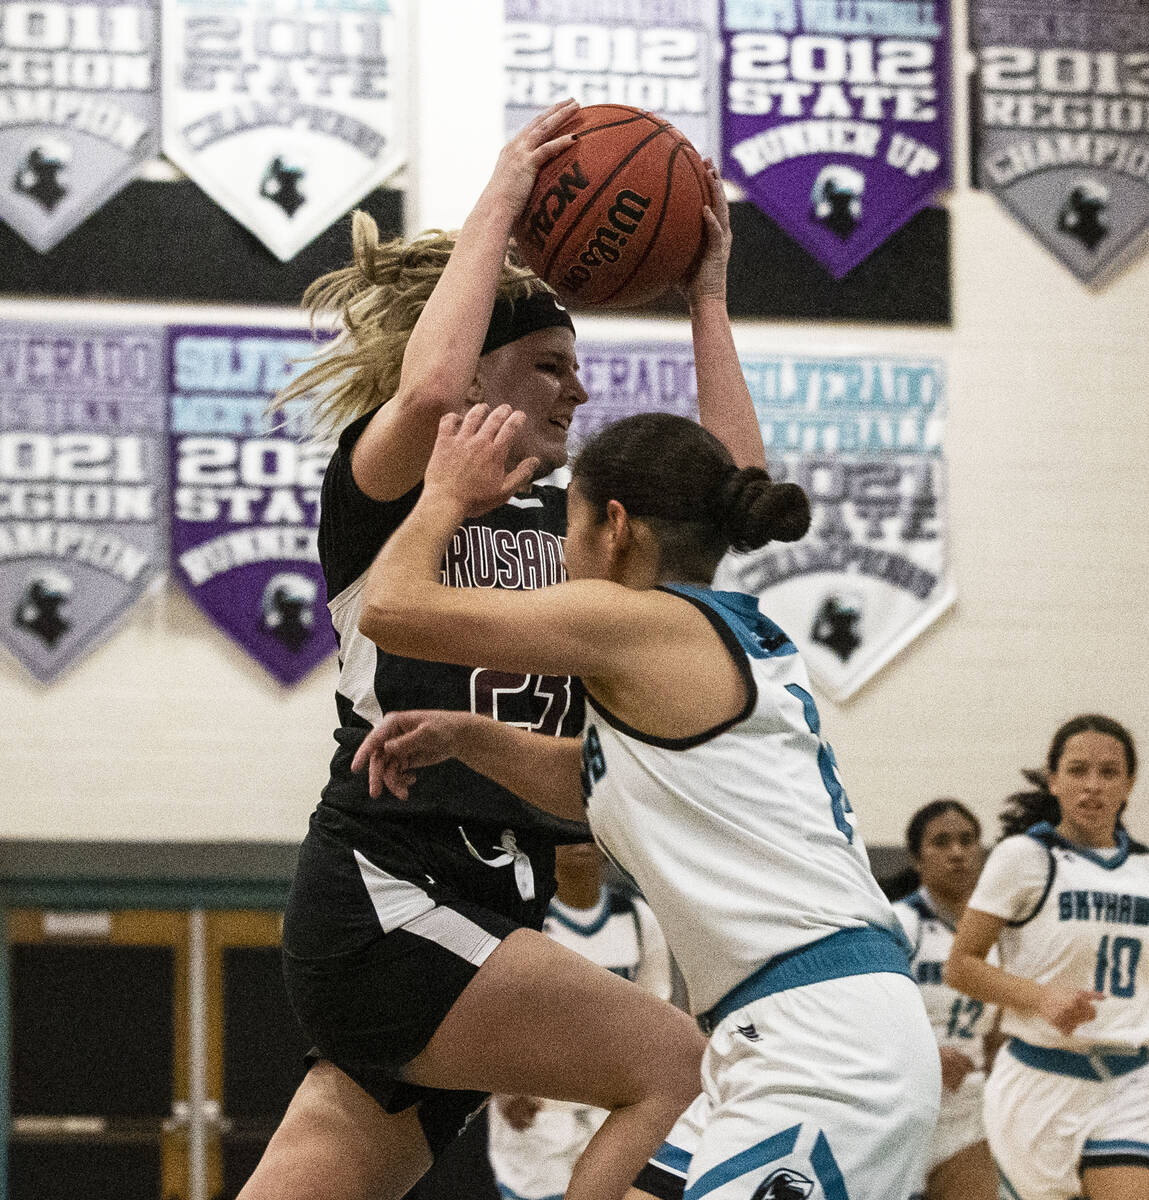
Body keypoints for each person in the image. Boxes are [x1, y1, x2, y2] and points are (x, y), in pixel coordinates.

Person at [238, 99, 713, 1200]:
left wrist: (708, 300)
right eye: (552, 363)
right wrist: (504, 198)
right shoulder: (386, 488)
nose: (580, 388)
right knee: (677, 1064)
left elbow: (723, 519)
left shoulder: (579, 523)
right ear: (491, 368)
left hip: (495, 899)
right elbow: (433, 389)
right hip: (390, 887)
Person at [348, 411, 942, 1193]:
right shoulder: (714, 638)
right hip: (784, 1027)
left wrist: (443, 496)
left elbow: (388, 610)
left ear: (615, 526)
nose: (563, 550)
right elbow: (603, 786)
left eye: (569, 524)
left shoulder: (636, 622)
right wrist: (474, 739)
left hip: (821, 1045)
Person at [946, 714, 1149, 1200]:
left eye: (1108, 773)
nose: (1093, 786)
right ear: (1054, 779)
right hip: (1040, 1080)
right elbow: (962, 965)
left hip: (1129, 1081)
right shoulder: (1024, 857)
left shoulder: (1145, 868)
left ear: (1129, 784)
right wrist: (1040, 998)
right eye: (1078, 771)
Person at [486, 842, 673, 1200]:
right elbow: (490, 1015)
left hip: (615, 1115)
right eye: (566, 832)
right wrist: (501, 1085)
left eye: (587, 830)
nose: (580, 841)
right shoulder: (523, 920)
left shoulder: (637, 918)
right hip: (539, 1118)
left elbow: (657, 1026)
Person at [893, 800, 999, 1200]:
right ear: (917, 858)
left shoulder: (998, 931)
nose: (957, 852)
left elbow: (998, 1027)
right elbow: (866, 1015)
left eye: (967, 840)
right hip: (902, 1101)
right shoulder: (899, 923)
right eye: (941, 842)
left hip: (966, 1107)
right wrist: (925, 1053)